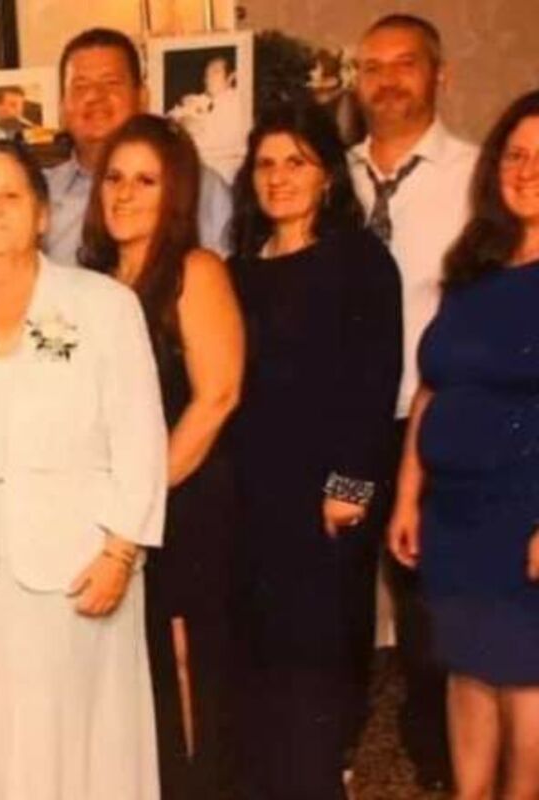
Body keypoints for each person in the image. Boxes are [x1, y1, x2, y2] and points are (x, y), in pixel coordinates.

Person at [0, 138, 166, 799]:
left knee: (71, 733)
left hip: (74, 564)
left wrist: (121, 550)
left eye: (10, 196)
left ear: (42, 214)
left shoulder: (100, 304)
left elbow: (139, 433)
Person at [228, 102, 402, 799]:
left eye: (295, 163)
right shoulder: (239, 269)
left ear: (327, 174)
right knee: (259, 665)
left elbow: (375, 379)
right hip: (250, 498)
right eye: (265, 164)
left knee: (319, 661)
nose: (278, 178)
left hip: (326, 501)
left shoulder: (359, 260)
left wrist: (350, 489)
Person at [80, 113, 243, 798]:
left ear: (175, 193)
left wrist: (140, 501)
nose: (124, 193)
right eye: (114, 178)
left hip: (185, 500)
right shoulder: (88, 282)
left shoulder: (194, 272)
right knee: (132, 667)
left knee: (184, 665)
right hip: (119, 511)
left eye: (145, 181)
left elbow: (217, 397)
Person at [387, 89, 539, 800]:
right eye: (515, 155)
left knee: (527, 687)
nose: (526, 171)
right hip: (455, 516)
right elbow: (432, 387)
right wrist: (407, 495)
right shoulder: (476, 263)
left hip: (525, 514)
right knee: (468, 674)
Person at [347, 14, 478, 789]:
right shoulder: (331, 176)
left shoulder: (476, 177)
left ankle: (434, 760)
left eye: (405, 64)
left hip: (430, 421)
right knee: (335, 592)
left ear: (439, 75)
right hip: (345, 424)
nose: (387, 80)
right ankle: (339, 751)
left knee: (429, 601)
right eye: (372, 67)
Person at [44, 27, 233, 265]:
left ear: (142, 98)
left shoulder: (199, 185)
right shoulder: (36, 194)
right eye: (80, 86)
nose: (95, 96)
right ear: (61, 108)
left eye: (111, 82)